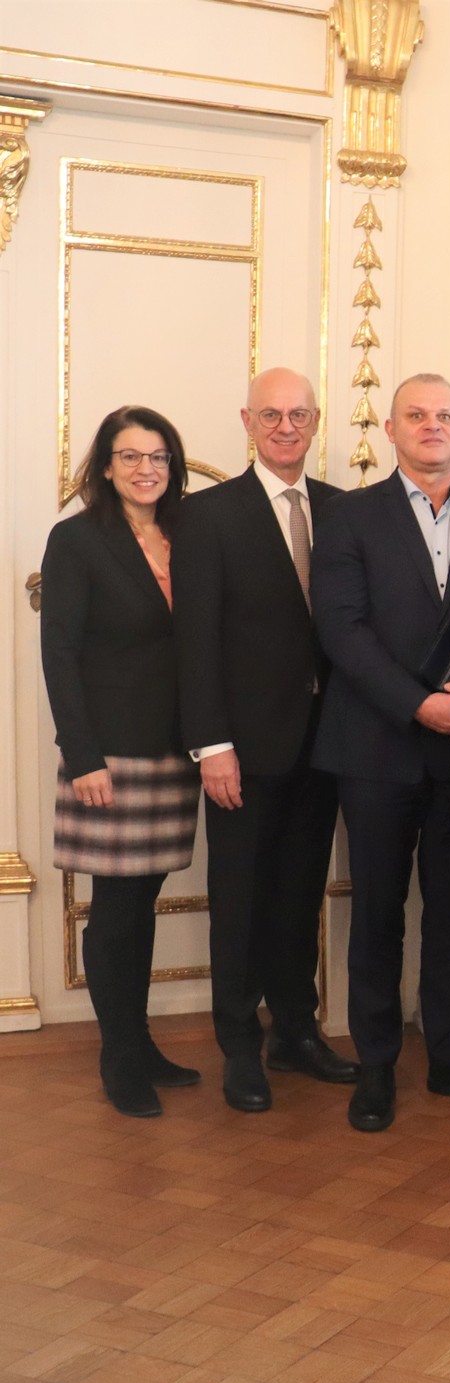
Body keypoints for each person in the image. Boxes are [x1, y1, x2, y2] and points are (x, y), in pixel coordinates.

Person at [311, 374, 450, 1133]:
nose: (432, 425)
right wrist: (419, 704)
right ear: (393, 428)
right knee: (376, 911)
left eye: (445, 415)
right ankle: (376, 1064)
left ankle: (449, 1053)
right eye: (417, 414)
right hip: (375, 748)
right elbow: (341, 631)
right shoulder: (345, 517)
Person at [172, 369, 359, 1114]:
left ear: (317, 422)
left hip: (327, 743)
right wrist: (210, 744)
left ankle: (296, 1031)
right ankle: (239, 1046)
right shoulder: (208, 514)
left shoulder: (344, 511)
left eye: (300, 414)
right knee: (241, 896)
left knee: (298, 891)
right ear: (247, 421)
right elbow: (196, 642)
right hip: (242, 750)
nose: (287, 426)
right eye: (272, 414)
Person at [40, 407, 202, 1118]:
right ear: (105, 465)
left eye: (159, 456)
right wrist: (82, 756)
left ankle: (139, 1043)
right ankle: (119, 1055)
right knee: (115, 912)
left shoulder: (190, 535)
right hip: (107, 755)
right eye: (130, 456)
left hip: (174, 749)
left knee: (143, 905)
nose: (146, 469)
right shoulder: (76, 541)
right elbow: (61, 654)